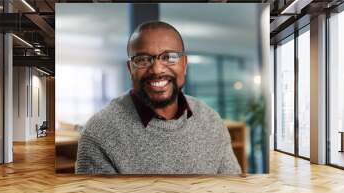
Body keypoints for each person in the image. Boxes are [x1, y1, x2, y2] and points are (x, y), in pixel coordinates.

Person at [75, 20, 241, 175]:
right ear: (130, 69)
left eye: (168, 57)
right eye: (142, 59)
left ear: (184, 64)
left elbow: (232, 191)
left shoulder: (211, 120)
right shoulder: (99, 133)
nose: (156, 69)